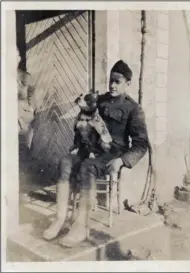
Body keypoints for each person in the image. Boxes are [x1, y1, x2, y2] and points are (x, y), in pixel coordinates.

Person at [43, 60, 150, 247]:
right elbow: (84, 121)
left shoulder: (134, 109)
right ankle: (60, 219)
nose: (112, 85)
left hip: (112, 154)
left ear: (128, 84)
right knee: (65, 162)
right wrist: (78, 144)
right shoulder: (98, 101)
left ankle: (81, 226)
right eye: (111, 80)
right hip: (91, 149)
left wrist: (122, 161)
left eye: (117, 81)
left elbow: (141, 144)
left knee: (87, 167)